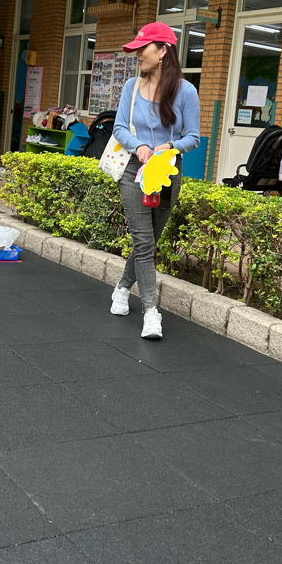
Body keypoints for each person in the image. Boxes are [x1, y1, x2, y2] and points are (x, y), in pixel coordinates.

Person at [110, 22, 200, 339]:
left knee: (149, 240)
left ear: (162, 51)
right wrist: (139, 146)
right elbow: (119, 128)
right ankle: (151, 312)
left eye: (142, 49)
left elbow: (194, 137)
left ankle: (122, 287)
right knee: (144, 241)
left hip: (166, 173)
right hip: (134, 170)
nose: (137, 55)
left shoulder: (186, 92)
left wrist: (170, 145)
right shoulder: (131, 86)